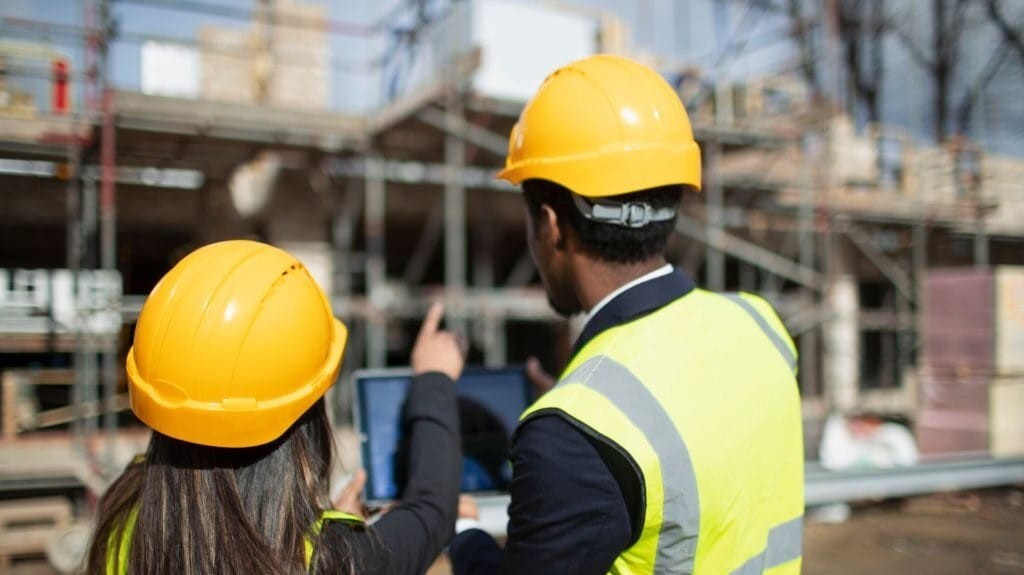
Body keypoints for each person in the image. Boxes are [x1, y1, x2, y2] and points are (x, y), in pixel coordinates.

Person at [451, 55, 805, 574]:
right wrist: (582, 408)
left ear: (550, 225)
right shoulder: (760, 325)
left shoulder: (571, 436)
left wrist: (462, 534)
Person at [85, 240, 466, 574]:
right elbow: (431, 511)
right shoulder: (335, 559)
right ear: (305, 420)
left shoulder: (120, 519)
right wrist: (435, 379)